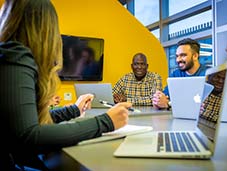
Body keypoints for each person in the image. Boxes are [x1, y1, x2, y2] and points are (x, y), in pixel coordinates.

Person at [0, 0, 131, 170]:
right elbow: (29, 136)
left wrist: (74, 110)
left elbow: (24, 123)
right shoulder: (16, 55)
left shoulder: (7, 55)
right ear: (45, 27)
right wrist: (106, 122)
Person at [152, 38, 209, 109]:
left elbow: (199, 104)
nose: (178, 60)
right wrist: (158, 99)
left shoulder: (208, 74)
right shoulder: (176, 74)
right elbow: (164, 97)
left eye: (183, 55)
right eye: (177, 56)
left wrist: (168, 103)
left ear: (195, 56)